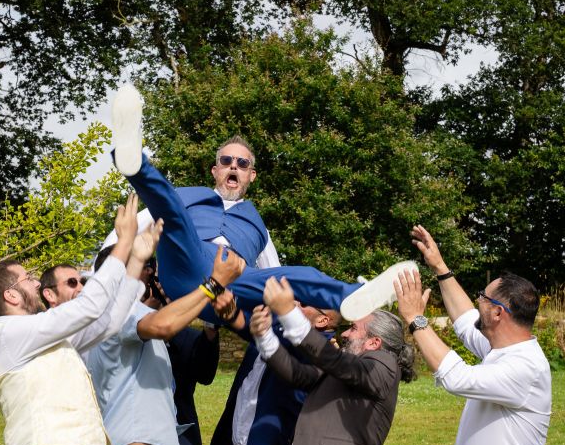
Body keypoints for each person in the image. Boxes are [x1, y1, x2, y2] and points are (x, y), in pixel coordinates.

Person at [108, 84, 409, 321]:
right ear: (216, 170)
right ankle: (133, 162)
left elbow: (273, 273)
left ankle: (352, 297)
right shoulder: (185, 198)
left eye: (242, 163)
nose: (233, 166)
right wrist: (99, 278)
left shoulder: (258, 226)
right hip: (185, 265)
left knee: (301, 274)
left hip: (232, 282)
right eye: (226, 161)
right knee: (171, 210)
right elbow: (122, 235)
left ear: (251, 175)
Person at [0, 194, 154, 445]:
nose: (36, 283)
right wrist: (124, 243)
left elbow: (107, 322)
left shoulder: (40, 334)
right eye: (28, 278)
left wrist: (136, 262)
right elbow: (89, 306)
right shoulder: (9, 333)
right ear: (10, 295)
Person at [394, 225, 551, 445]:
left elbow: (457, 378)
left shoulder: (525, 367)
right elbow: (466, 321)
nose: (477, 301)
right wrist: (439, 267)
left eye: (483, 297)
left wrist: (416, 319)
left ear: (498, 312)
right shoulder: (501, 349)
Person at [84, 245, 245, 445]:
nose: (152, 272)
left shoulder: (105, 314)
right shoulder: (122, 308)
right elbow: (163, 325)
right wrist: (214, 283)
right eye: (144, 264)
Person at [250, 276, 415, 445]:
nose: (344, 335)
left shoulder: (384, 364)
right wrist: (264, 337)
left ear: (374, 343)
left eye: (353, 328)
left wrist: (289, 314)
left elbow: (336, 362)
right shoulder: (348, 366)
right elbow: (300, 376)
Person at [210, 305, 340, 445]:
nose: (295, 304)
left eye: (304, 304)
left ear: (322, 320)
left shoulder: (320, 351)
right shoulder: (273, 334)